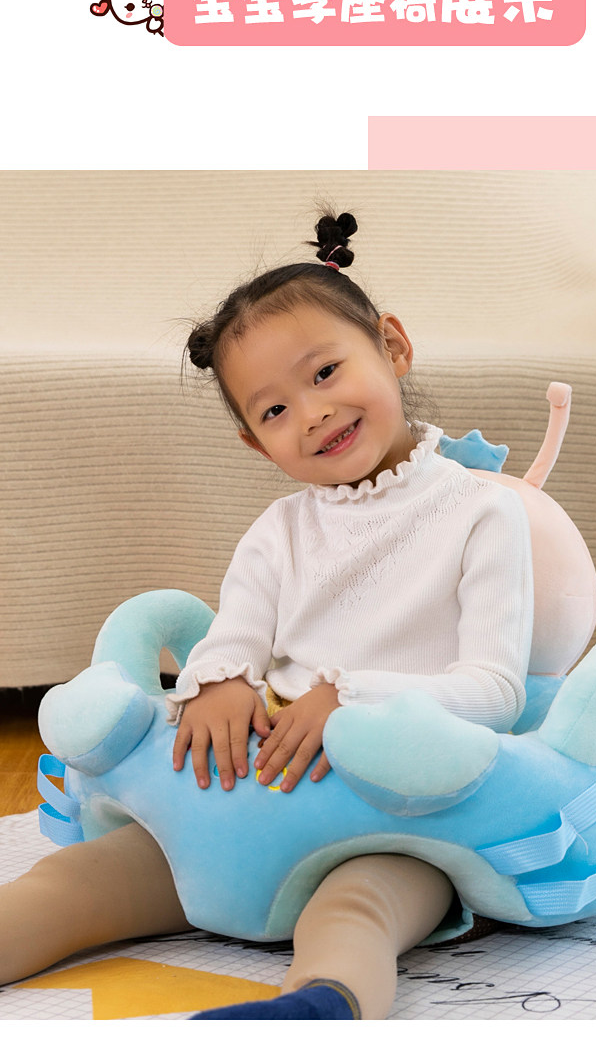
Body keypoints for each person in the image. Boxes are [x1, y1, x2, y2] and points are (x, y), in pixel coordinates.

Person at [0, 211, 533, 1020]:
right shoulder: (280, 531)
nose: (312, 413)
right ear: (257, 443)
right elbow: (235, 638)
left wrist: (346, 697)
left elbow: (496, 691)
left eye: (325, 373)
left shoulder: (482, 512)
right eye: (274, 411)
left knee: (360, 909)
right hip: (254, 808)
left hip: (386, 818)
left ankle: (316, 1009)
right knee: (77, 879)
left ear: (392, 346)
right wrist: (217, 680)